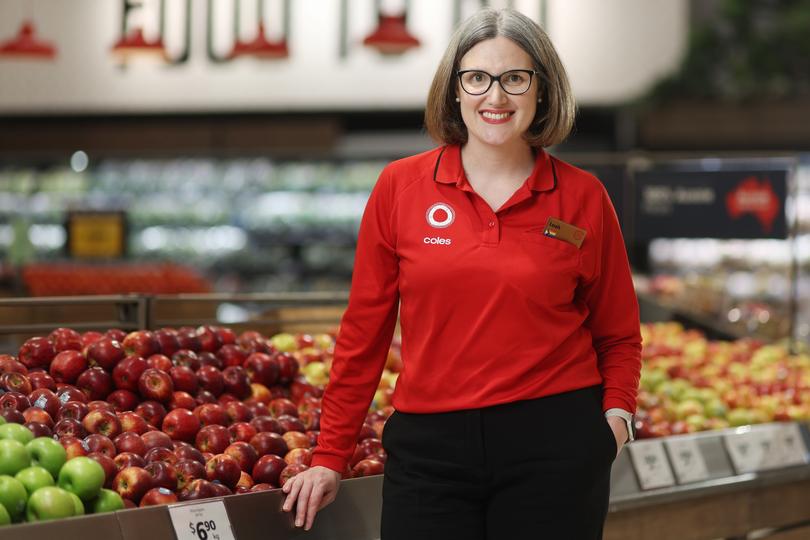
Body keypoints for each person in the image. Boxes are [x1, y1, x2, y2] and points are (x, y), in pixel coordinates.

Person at [282, 7, 641, 539]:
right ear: (454, 89)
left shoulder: (584, 198)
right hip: (430, 451)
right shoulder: (400, 187)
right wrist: (330, 453)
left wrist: (615, 424)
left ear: (542, 90)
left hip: (555, 446)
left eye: (515, 78)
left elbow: (619, 333)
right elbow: (364, 333)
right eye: (477, 78)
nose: (495, 97)